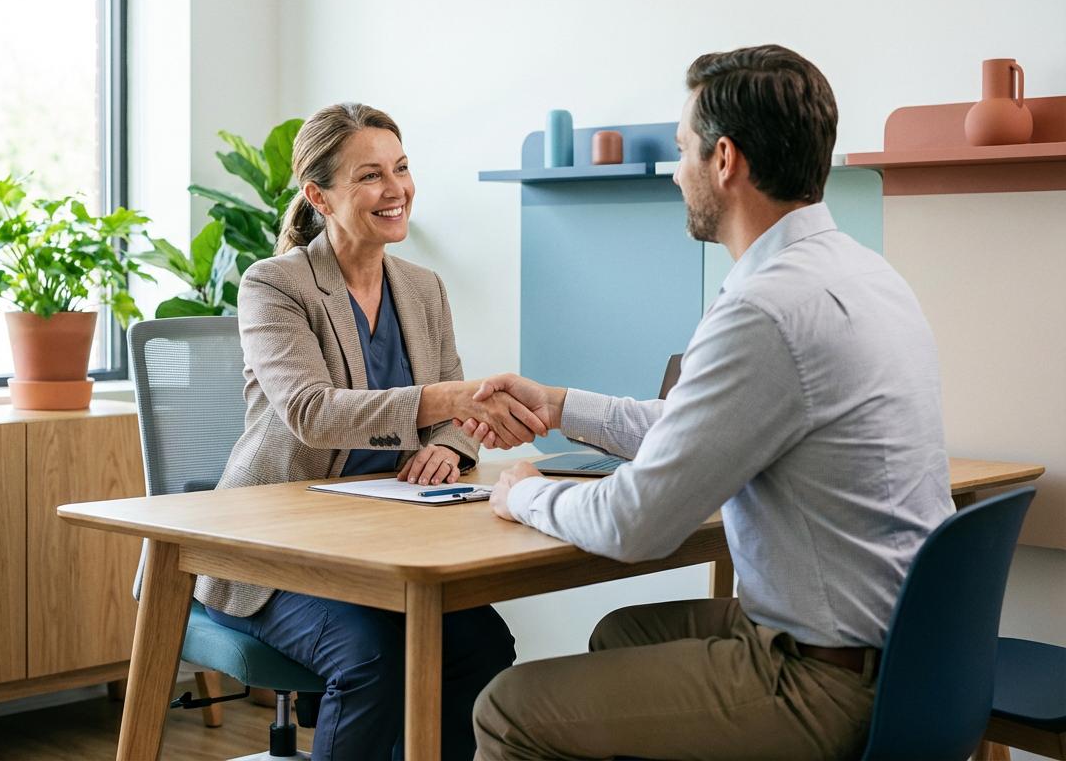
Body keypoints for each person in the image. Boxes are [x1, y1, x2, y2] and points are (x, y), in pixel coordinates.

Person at [459, 46, 955, 760]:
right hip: (908, 656)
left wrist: (527, 496)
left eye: (682, 149)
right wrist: (562, 405)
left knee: (507, 708)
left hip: (822, 682)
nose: (673, 169)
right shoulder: (863, 274)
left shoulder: (765, 308)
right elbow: (697, 426)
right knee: (621, 637)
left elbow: (635, 524)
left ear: (724, 160)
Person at [198, 102, 530, 761]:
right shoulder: (275, 285)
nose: (396, 189)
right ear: (318, 195)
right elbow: (312, 412)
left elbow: (456, 412)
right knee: (374, 656)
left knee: (483, 646)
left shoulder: (422, 288)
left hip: (382, 538)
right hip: (275, 549)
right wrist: (443, 401)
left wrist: (445, 443)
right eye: (371, 175)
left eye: (401, 169)